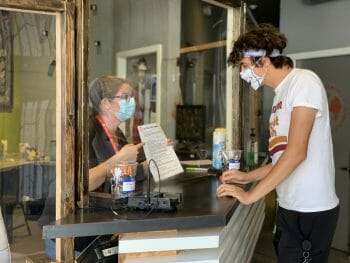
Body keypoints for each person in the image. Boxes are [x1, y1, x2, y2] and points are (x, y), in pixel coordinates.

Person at [216, 24, 339, 263]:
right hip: (289, 206)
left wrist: (251, 196)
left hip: (310, 210)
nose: (242, 73)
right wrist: (246, 177)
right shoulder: (280, 95)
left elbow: (296, 154)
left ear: (262, 59)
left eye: (244, 65)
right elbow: (281, 160)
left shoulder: (304, 82)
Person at [89, 75, 145, 192]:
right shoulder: (89, 131)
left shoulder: (118, 133)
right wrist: (119, 158)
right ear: (106, 104)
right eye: (125, 97)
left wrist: (155, 156)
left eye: (131, 97)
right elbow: (84, 183)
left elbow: (125, 172)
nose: (131, 102)